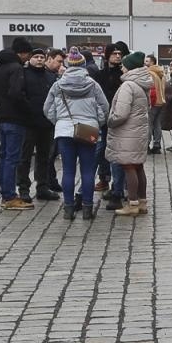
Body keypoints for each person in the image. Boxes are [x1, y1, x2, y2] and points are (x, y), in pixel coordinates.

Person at [45, 50, 110, 221]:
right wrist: (96, 122)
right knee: (87, 171)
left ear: (68, 65)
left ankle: (68, 209)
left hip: (64, 131)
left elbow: (47, 109)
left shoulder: (58, 85)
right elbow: (105, 108)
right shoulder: (93, 85)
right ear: (83, 65)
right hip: (88, 130)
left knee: (68, 170)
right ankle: (87, 209)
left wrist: (60, 122)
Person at [0, 37, 37, 210]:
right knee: (12, 158)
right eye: (28, 54)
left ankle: (5, 194)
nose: (28, 58)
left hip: (1, 118)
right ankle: (10, 196)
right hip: (15, 119)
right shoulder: (16, 68)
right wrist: (28, 108)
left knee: (4, 158)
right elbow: (16, 93)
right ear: (22, 53)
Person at [107, 52, 153, 216]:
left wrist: (110, 121)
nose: (122, 68)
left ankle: (132, 204)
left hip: (127, 133)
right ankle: (142, 202)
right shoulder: (142, 84)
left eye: (124, 65)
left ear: (130, 67)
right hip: (138, 132)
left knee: (129, 167)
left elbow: (121, 113)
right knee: (138, 166)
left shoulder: (128, 85)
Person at [91, 41, 129, 208]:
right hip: (103, 120)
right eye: (114, 53)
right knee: (101, 151)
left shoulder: (124, 75)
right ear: (107, 56)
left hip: (119, 120)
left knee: (118, 155)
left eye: (120, 54)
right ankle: (104, 179)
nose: (117, 56)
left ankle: (119, 188)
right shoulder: (100, 75)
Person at [18, 48, 60, 202]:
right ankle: (23, 188)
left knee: (44, 157)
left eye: (42, 57)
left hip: (46, 123)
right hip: (28, 123)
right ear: (30, 58)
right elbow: (19, 95)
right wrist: (27, 110)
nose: (39, 59)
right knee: (25, 157)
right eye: (36, 57)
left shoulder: (50, 76)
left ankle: (42, 186)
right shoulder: (23, 74)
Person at [145, 55, 167, 153]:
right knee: (157, 124)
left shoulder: (150, 73)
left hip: (153, 102)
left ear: (152, 62)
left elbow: (152, 90)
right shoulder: (161, 73)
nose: (145, 63)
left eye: (147, 61)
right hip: (161, 102)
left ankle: (147, 145)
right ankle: (157, 145)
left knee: (149, 124)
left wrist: (149, 103)